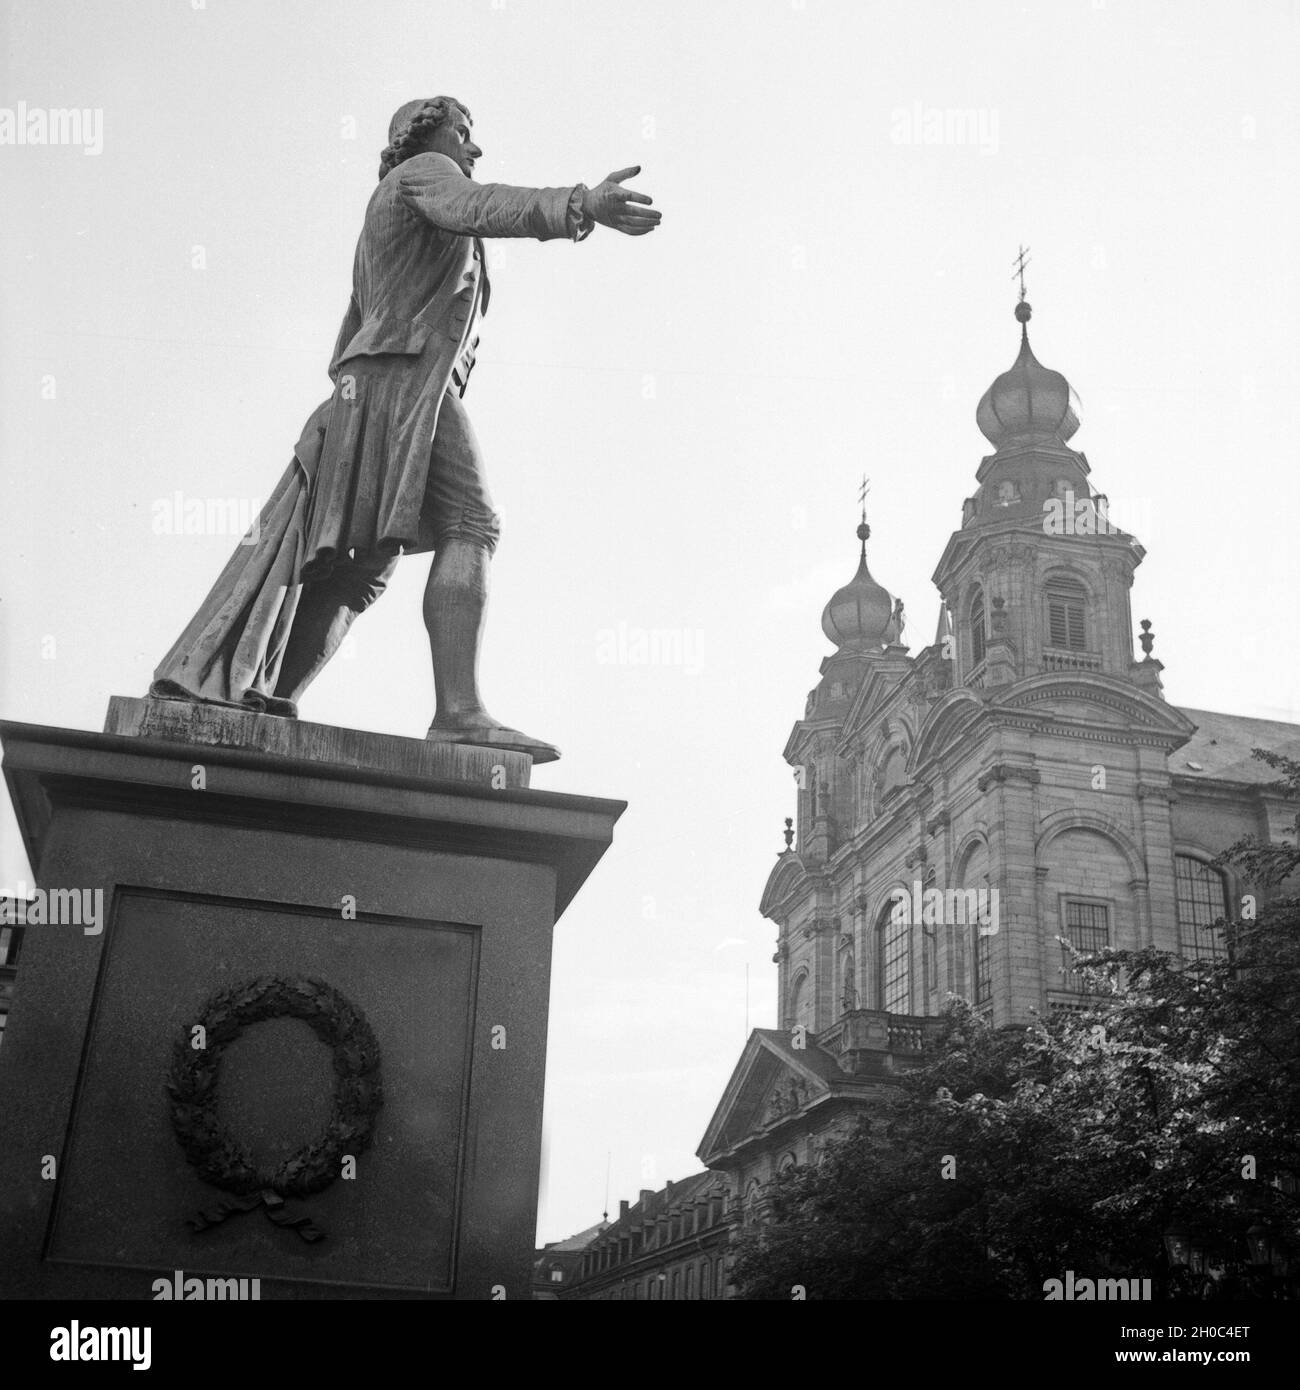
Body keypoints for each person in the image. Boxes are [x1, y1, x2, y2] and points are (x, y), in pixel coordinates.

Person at [152, 95, 660, 761]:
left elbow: (356, 318)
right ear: (422, 136)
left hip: (375, 384)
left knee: (358, 568)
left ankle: (269, 698)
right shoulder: (421, 174)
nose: (473, 149)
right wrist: (580, 204)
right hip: (400, 379)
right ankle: (458, 713)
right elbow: (480, 208)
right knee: (472, 523)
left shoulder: (396, 203)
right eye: (463, 133)